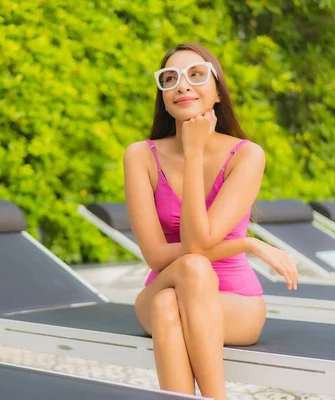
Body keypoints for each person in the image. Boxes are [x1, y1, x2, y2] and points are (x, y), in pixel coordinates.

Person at [123, 43, 299, 400]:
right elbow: (159, 258)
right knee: (191, 271)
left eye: (196, 75)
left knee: (174, 297)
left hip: (234, 302)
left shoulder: (247, 155)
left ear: (217, 91)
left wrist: (194, 151)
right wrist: (247, 243)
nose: (182, 85)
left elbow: (198, 245)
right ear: (163, 95)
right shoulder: (140, 155)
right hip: (162, 285)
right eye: (170, 79)